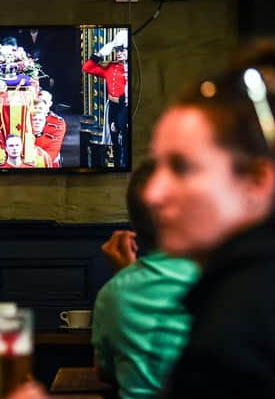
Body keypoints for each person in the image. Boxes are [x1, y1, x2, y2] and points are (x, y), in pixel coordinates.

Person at [142, 39, 275, 399]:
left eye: (182, 168)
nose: (153, 192)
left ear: (258, 180)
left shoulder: (246, 320)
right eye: (157, 166)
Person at [92, 160, 199, 399]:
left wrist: (124, 277)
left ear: (135, 222)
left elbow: (105, 372)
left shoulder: (114, 293)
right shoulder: (228, 281)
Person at [82, 30, 129, 169]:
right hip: (113, 107)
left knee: (125, 137)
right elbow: (87, 68)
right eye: (117, 50)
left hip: (125, 108)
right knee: (115, 139)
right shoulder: (111, 68)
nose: (119, 53)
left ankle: (125, 164)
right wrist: (100, 54)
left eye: (123, 50)